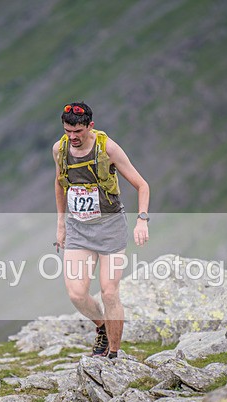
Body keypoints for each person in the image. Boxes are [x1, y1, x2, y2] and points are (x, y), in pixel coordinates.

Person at [52, 102, 150, 358]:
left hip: (110, 227)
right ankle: (104, 329)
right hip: (78, 229)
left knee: (108, 291)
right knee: (76, 294)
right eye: (67, 131)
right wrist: (61, 224)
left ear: (90, 126)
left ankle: (115, 356)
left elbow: (143, 185)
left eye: (78, 132)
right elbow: (60, 184)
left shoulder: (108, 148)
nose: (73, 137)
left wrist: (142, 220)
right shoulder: (60, 150)